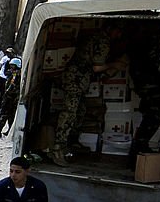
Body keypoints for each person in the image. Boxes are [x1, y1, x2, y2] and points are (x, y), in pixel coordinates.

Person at [50, 25, 125, 165]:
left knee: (80, 111)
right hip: (75, 79)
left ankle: (71, 142)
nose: (118, 36)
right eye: (118, 32)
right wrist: (115, 65)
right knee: (69, 113)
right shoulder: (103, 41)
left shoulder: (98, 37)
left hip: (78, 79)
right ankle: (58, 149)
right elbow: (97, 67)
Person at [0, 58, 21, 138]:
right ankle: (9, 131)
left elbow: (12, 87)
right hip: (10, 98)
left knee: (5, 115)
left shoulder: (16, 75)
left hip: (11, 98)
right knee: (10, 116)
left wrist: (7, 94)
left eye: (13, 66)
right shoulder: (14, 74)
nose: (11, 67)